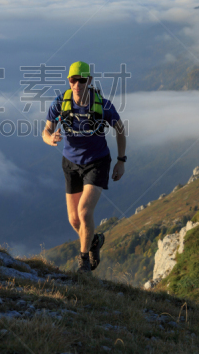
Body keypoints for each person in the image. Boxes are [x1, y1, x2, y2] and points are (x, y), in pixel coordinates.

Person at [42, 61, 126, 274]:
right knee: (73, 219)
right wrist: (50, 138)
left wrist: (121, 161)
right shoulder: (60, 103)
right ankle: (94, 241)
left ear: (89, 80)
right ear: (68, 81)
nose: (77, 84)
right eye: (73, 80)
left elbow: (120, 130)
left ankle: (83, 263)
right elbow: (46, 130)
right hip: (70, 164)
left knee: (84, 211)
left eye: (82, 80)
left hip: (97, 162)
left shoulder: (103, 105)